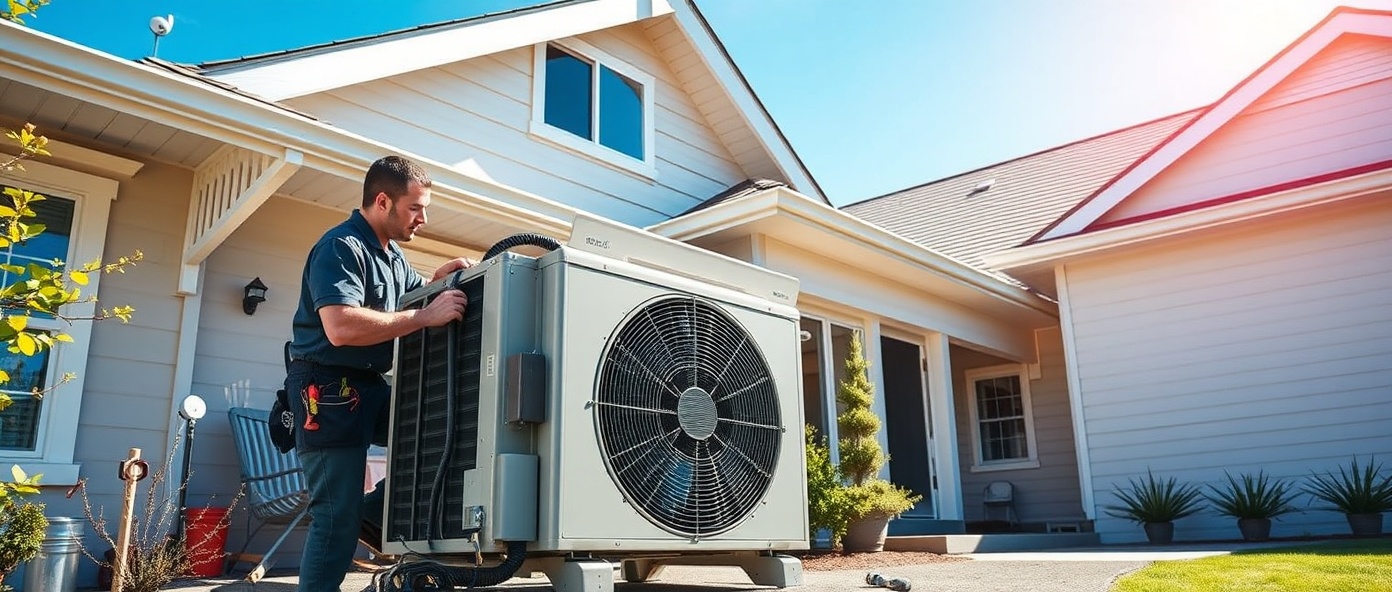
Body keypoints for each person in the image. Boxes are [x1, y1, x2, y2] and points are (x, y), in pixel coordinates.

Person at [284, 155, 473, 592]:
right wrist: (424, 318)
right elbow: (342, 325)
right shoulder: (341, 247)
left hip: (370, 387)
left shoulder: (391, 256)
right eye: (416, 208)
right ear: (383, 201)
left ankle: (372, 511)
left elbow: (410, 296)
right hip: (326, 392)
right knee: (334, 517)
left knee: (444, 435)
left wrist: (437, 280)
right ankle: (356, 516)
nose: (423, 218)